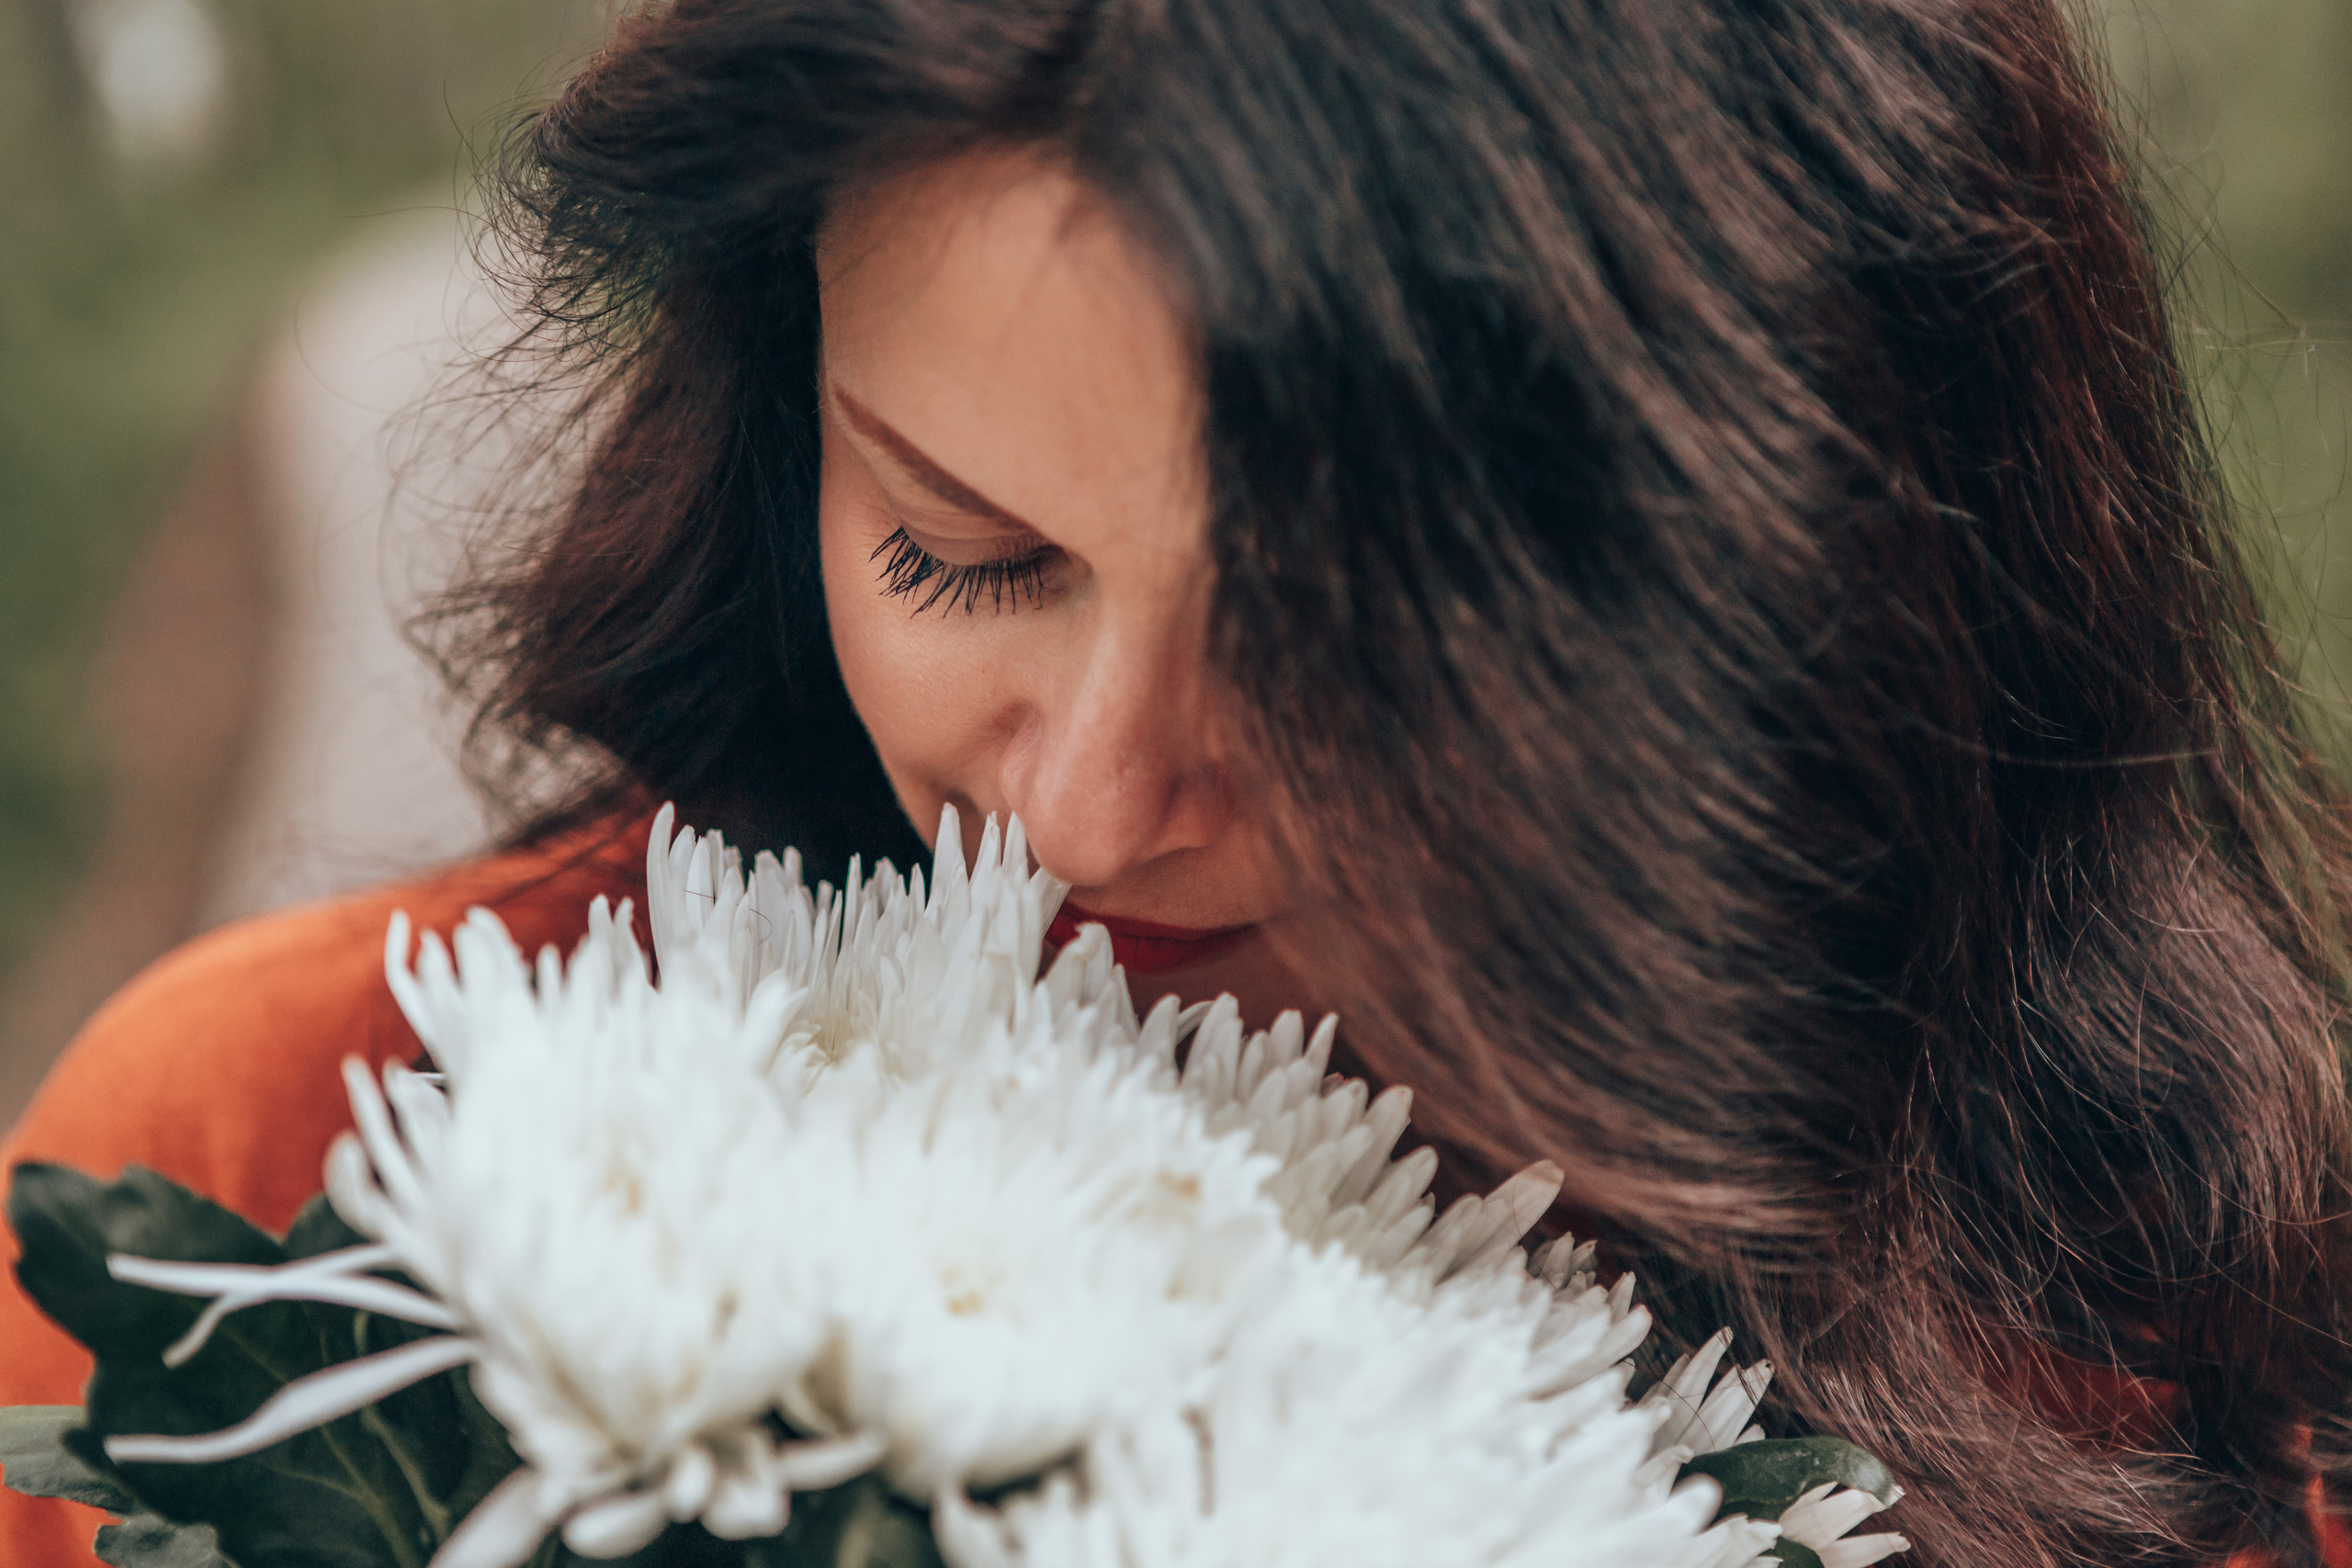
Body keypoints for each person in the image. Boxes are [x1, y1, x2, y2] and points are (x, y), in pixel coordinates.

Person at [6, 0, 2351, 1563]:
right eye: (959, 551)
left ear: (1792, 592)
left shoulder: (2156, 1410)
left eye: (1342, 643)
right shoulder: (286, 1181)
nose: (1097, 802)